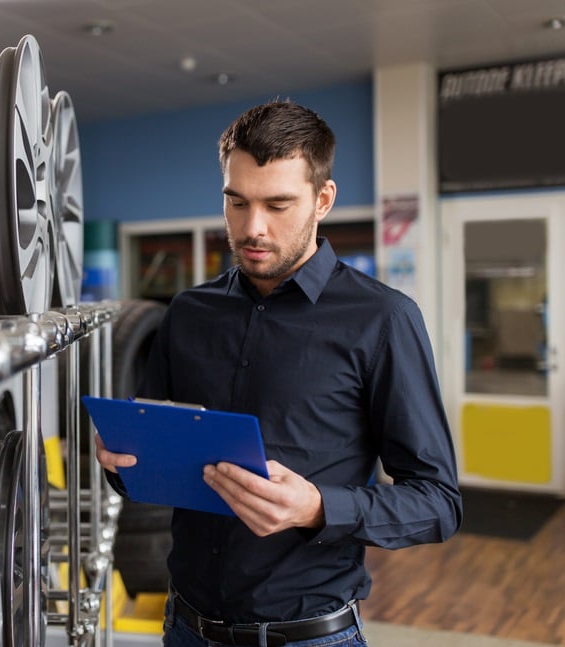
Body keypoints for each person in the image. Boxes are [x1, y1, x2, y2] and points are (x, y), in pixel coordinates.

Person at [95, 99, 462, 647]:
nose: (252, 228)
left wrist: (318, 507)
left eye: (278, 204)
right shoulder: (188, 314)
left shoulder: (383, 319)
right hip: (186, 627)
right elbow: (143, 469)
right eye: (237, 203)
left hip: (309, 635)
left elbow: (438, 502)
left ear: (323, 200)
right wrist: (121, 461)